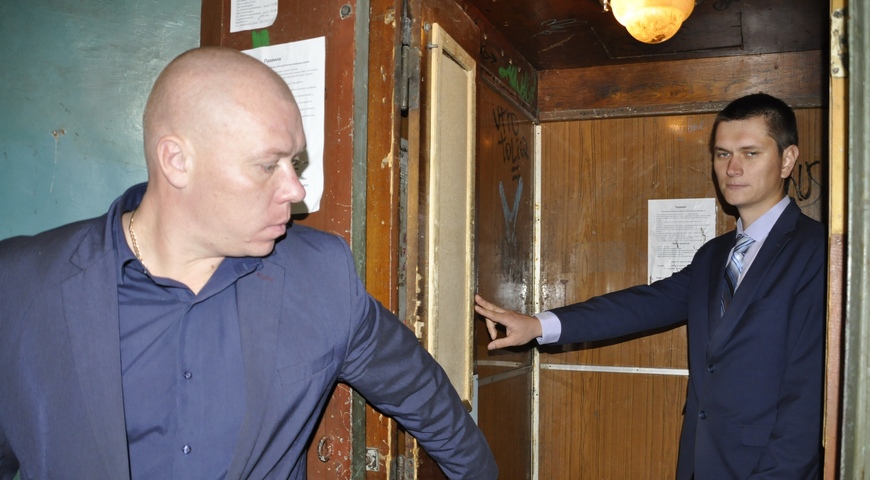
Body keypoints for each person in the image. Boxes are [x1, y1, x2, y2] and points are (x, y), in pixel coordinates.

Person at [0, 47, 496, 480]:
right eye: (267, 165)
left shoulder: (321, 276)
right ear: (176, 161)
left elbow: (424, 396)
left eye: (294, 163)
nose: (296, 190)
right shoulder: (19, 286)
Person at [475, 93, 825, 479]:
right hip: (699, 463)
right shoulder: (714, 255)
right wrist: (537, 325)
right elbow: (643, 305)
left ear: (787, 159)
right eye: (722, 154)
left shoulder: (819, 251)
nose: (732, 168)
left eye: (750, 153)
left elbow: (808, 396)